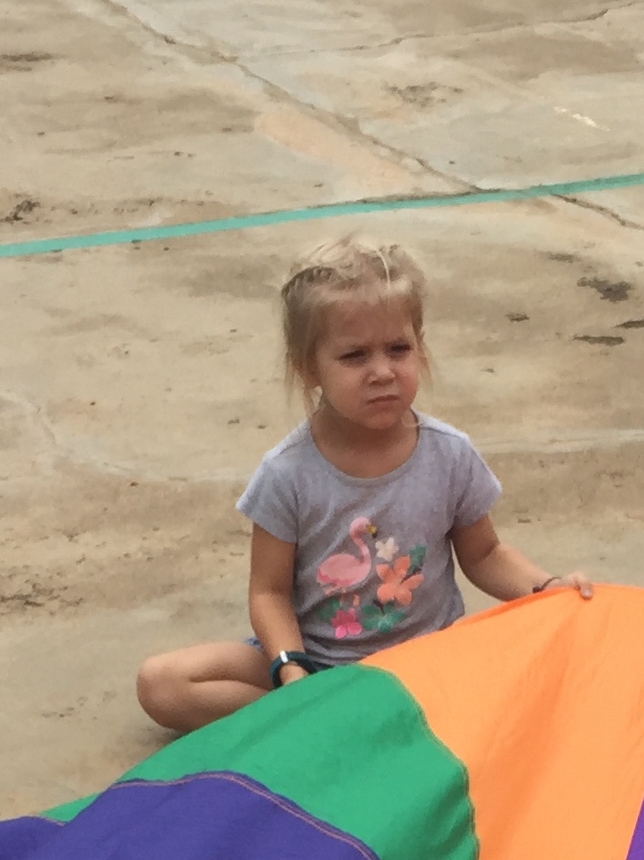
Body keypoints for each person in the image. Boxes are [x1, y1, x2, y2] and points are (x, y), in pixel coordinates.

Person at [134, 238, 593, 731]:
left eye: (399, 349)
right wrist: (291, 669)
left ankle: (319, 726)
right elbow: (269, 593)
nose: (382, 372)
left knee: (563, 671)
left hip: (432, 660)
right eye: (354, 356)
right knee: (162, 683)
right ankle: (321, 714)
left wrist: (547, 588)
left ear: (420, 346)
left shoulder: (449, 454)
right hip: (321, 665)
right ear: (307, 367)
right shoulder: (286, 474)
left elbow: (484, 554)